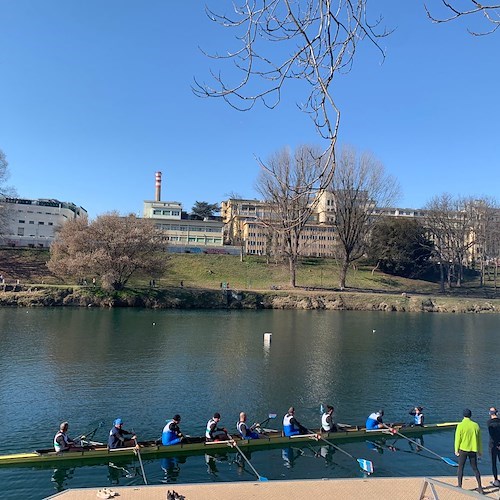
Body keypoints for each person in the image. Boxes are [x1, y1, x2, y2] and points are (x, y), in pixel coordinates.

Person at [455, 408, 483, 494]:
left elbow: (457, 439)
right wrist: (480, 451)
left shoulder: (460, 425)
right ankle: (480, 488)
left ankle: (460, 486)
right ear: (471, 415)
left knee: (460, 468)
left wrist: (456, 450)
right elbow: (479, 440)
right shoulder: (475, 425)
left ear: (463, 415)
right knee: (475, 468)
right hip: (473, 450)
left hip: (463, 449)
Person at [487, 407, 500, 488]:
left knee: (494, 463)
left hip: (493, 445)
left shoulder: (489, 422)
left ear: (490, 413)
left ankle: (496, 480)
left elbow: (492, 434)